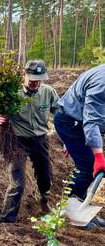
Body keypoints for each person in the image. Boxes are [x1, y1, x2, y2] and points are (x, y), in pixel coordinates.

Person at [0, 60, 59, 223]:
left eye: (40, 79)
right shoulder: (12, 94)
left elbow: (60, 113)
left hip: (40, 140)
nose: (36, 82)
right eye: (33, 78)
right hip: (17, 142)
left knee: (45, 175)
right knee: (18, 183)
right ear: (24, 75)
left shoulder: (48, 92)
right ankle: (7, 219)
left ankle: (44, 201)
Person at [54, 64, 105, 229]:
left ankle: (81, 208)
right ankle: (69, 214)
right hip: (70, 122)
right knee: (88, 165)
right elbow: (92, 121)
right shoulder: (102, 81)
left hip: (78, 120)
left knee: (88, 166)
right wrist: (98, 156)